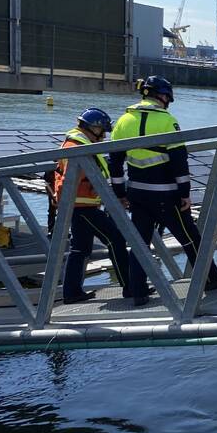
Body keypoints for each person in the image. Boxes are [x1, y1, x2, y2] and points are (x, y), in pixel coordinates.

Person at [110, 76, 217, 306]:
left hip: (137, 193)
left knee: (140, 243)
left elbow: (115, 163)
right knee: (190, 239)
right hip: (166, 194)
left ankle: (138, 292)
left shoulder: (123, 121)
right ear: (163, 96)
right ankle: (211, 279)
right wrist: (185, 192)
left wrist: (119, 192)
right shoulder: (168, 121)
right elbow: (179, 162)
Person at [54, 108, 131, 304]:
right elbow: (75, 180)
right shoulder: (76, 146)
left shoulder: (77, 143)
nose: (104, 135)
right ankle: (130, 286)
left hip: (80, 205)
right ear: (93, 128)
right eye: (102, 131)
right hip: (83, 207)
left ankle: (72, 293)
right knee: (116, 240)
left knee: (80, 249)